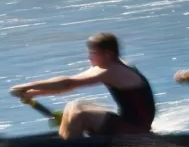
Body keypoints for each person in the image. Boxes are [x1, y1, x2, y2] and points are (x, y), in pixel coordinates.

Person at [9, 33, 156, 139]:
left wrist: (26, 86)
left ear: (108, 54)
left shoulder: (112, 70)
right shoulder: (109, 65)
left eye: (93, 53)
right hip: (128, 125)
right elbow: (67, 86)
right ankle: (67, 138)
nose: (89, 57)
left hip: (136, 131)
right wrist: (34, 93)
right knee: (75, 105)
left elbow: (67, 82)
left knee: (81, 115)